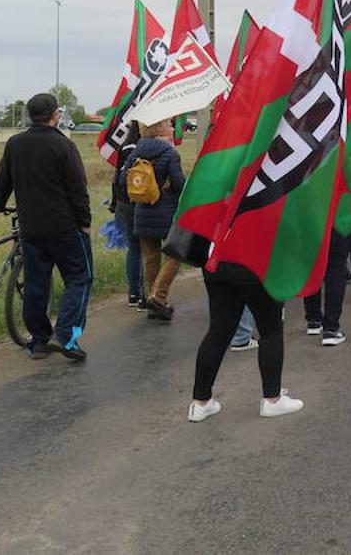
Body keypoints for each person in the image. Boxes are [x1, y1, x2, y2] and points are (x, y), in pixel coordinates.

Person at [0, 92, 93, 361]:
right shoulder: (63, 146)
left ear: (30, 116)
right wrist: (85, 222)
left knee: (35, 285)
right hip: (66, 228)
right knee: (80, 278)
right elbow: (77, 188)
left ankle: (39, 341)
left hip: (31, 229)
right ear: (55, 115)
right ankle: (66, 336)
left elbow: (3, 181)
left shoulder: (15, 144)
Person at [188, 259, 303, 423]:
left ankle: (200, 401)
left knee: (218, 332)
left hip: (218, 261)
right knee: (271, 330)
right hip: (258, 263)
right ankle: (273, 399)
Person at [121, 119, 185, 321]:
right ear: (161, 129)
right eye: (169, 124)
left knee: (150, 258)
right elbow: (180, 184)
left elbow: (124, 181)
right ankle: (159, 296)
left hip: (142, 211)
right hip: (166, 212)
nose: (172, 128)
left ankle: (154, 303)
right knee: (176, 253)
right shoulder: (170, 153)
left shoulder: (135, 152)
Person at [109, 120, 145, 309]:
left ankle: (133, 292)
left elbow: (117, 178)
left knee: (133, 249)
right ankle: (144, 295)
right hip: (140, 203)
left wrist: (114, 203)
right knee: (146, 249)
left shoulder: (125, 148)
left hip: (123, 203)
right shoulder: (143, 149)